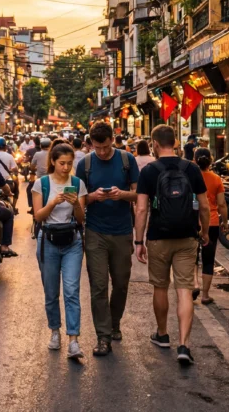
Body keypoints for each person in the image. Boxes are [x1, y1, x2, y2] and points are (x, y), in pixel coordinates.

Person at [134, 125, 209, 365]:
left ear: (155, 144)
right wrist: (204, 232)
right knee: (185, 289)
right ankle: (184, 345)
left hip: (158, 236)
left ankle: (163, 333)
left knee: (160, 287)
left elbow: (142, 208)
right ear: (176, 143)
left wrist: (139, 241)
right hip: (187, 237)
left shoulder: (148, 172)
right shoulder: (192, 168)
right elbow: (205, 206)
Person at [76, 122, 140, 357]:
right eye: (97, 147)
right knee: (99, 286)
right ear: (90, 144)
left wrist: (122, 194)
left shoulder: (127, 160)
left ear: (113, 139)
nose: (101, 152)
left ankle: (114, 323)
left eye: (105, 146)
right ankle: (103, 336)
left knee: (121, 283)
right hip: (95, 232)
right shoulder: (85, 164)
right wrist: (92, 197)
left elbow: (139, 194)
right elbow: (78, 201)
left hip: (123, 231)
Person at [33, 143, 87, 360]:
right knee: (51, 291)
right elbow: (38, 216)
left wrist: (76, 205)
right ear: (53, 162)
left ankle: (73, 339)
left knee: (72, 290)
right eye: (62, 163)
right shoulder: (41, 184)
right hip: (48, 240)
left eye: (69, 163)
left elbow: (81, 219)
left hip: (72, 240)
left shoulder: (78, 184)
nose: (66, 168)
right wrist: (54, 202)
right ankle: (54, 330)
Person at [194, 148, 227, 304]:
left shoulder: (191, 177)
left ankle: (194, 284)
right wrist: (225, 222)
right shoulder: (216, 179)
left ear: (195, 160)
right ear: (211, 161)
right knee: (208, 258)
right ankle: (205, 295)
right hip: (212, 222)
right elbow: (221, 204)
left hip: (193, 221)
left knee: (192, 256)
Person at [0, 137, 20, 214]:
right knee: (16, 186)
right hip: (7, 183)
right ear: (5, 146)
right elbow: (15, 169)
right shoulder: (9, 156)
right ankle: (14, 206)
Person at [27, 138, 52, 214]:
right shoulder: (53, 154)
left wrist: (34, 169)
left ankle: (33, 207)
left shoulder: (37, 154)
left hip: (40, 179)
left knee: (29, 190)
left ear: (41, 146)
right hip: (51, 178)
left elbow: (32, 166)